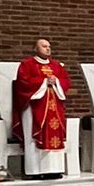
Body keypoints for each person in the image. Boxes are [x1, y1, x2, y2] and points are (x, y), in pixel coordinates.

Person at [12, 36, 71, 178]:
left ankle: (54, 170)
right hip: (34, 107)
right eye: (44, 46)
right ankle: (35, 171)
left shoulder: (56, 66)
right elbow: (22, 83)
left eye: (49, 46)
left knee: (54, 136)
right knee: (33, 138)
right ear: (35, 48)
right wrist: (44, 82)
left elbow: (66, 81)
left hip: (54, 108)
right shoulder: (27, 64)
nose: (48, 48)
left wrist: (56, 81)